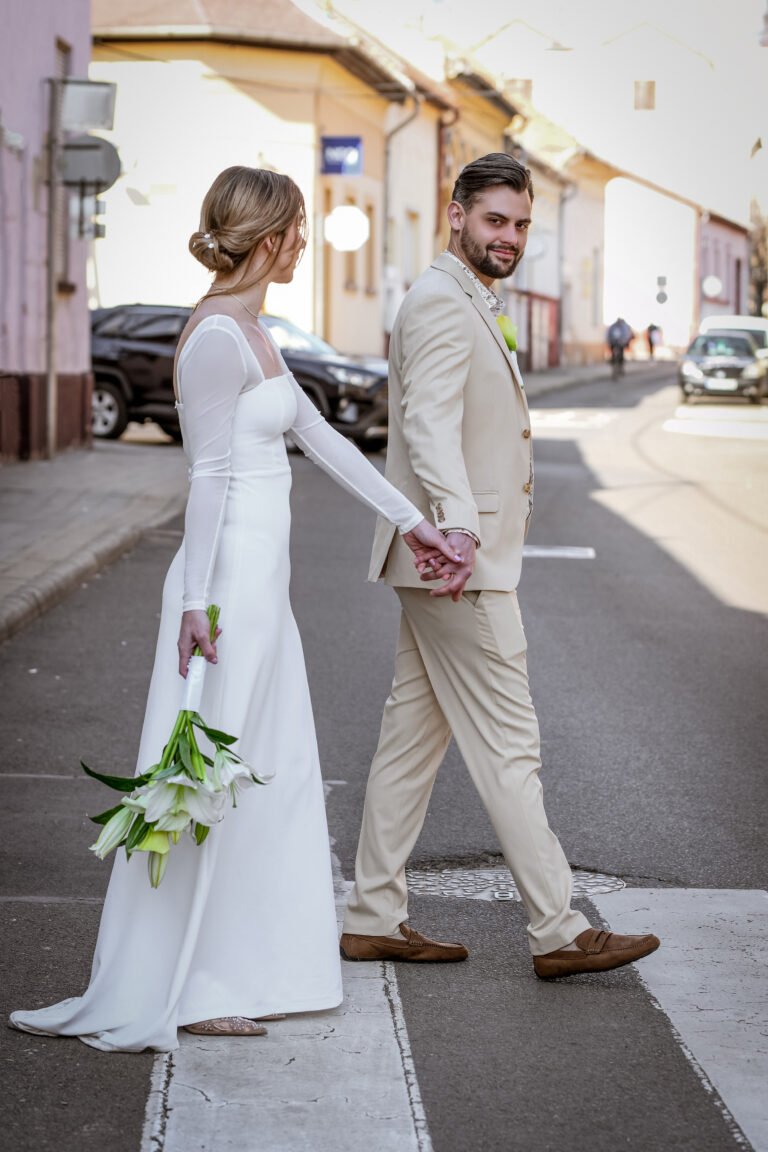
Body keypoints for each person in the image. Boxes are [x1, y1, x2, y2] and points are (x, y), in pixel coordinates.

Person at [9, 166, 459, 1052]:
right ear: (270, 237)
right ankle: (185, 986)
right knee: (209, 778)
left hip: (260, 586)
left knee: (262, 772)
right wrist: (197, 604)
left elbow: (321, 439)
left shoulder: (254, 329)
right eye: (298, 230)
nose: (304, 244)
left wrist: (416, 524)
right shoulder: (216, 337)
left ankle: (250, 968)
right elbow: (209, 476)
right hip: (225, 590)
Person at [340, 153, 660, 978]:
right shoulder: (442, 303)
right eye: (495, 220)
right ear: (456, 215)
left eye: (520, 224)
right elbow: (428, 424)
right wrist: (455, 527)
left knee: (411, 741)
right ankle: (559, 928)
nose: (509, 237)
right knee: (510, 745)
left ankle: (373, 914)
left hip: (443, 561)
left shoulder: (464, 297)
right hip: (459, 565)